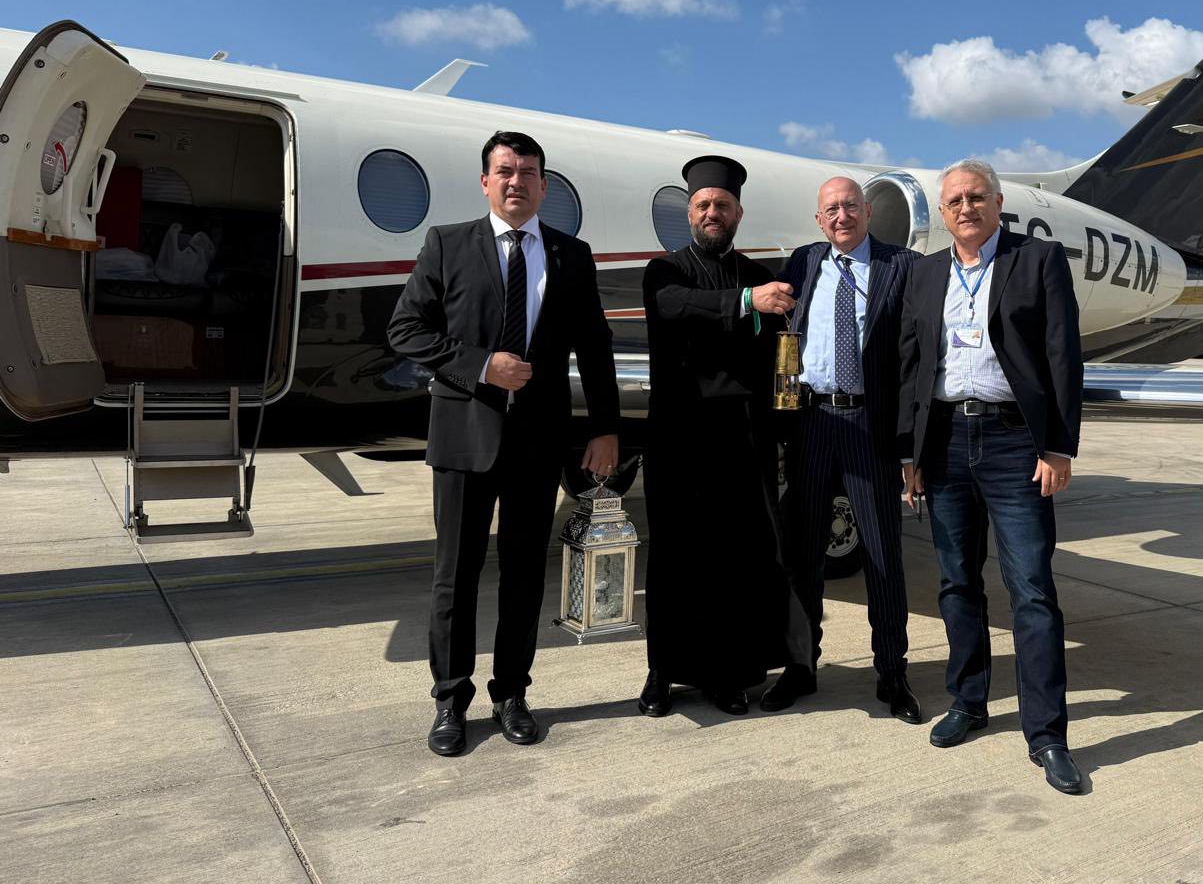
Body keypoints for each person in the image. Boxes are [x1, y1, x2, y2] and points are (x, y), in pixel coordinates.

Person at [388, 131, 620, 757]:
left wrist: (605, 427)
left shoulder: (572, 255)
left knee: (523, 575)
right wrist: (481, 365)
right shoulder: (448, 244)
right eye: (505, 171)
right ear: (486, 181)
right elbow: (405, 328)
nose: (517, 181)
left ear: (544, 185)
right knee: (455, 576)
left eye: (529, 172)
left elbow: (595, 346)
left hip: (538, 442)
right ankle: (450, 699)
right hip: (465, 436)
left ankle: (512, 692)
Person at [898, 159, 1086, 794]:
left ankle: (1047, 734)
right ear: (943, 212)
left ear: (998, 203)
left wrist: (1057, 447)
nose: (965, 207)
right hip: (944, 441)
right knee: (956, 582)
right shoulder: (925, 272)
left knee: (1031, 589)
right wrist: (909, 454)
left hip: (1014, 442)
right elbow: (911, 364)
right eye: (954, 200)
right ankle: (969, 701)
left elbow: (1062, 354)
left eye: (976, 197)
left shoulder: (1037, 260)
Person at [638, 154, 810, 717]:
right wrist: (744, 303)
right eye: (703, 205)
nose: (712, 212)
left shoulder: (761, 277)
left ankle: (730, 673)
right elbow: (674, 308)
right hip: (679, 437)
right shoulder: (664, 272)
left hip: (744, 437)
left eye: (722, 205)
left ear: (738, 214)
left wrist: (789, 421)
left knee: (738, 558)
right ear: (690, 214)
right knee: (675, 557)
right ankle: (663, 672)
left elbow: (783, 359)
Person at [763, 176, 921, 723]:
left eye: (850, 206)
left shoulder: (901, 265)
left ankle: (892, 672)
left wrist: (910, 445)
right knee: (802, 554)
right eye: (831, 209)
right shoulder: (805, 262)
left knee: (881, 554)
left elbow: (916, 355)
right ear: (819, 220)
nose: (841, 217)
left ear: (868, 212)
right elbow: (776, 332)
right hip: (811, 422)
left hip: (869, 424)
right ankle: (800, 667)